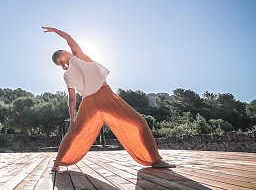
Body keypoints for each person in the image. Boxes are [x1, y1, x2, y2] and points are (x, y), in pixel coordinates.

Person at [43, 26, 175, 171]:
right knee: (140, 122)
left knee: (73, 133)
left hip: (88, 102)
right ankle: (156, 160)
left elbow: (72, 99)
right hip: (104, 94)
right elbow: (69, 38)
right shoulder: (78, 56)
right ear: (64, 53)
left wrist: (73, 119)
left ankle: (56, 164)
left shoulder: (66, 75)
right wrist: (55, 30)